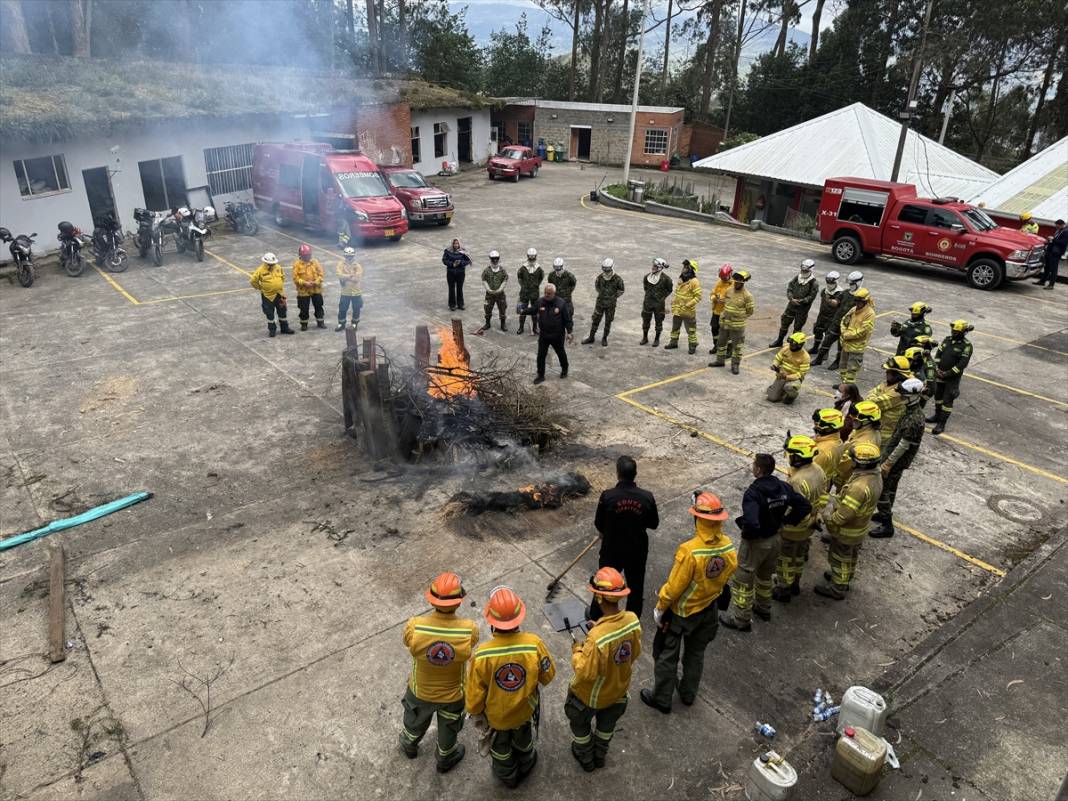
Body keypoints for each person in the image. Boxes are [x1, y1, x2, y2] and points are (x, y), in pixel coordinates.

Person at [641, 492, 737, 713]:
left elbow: (675, 587)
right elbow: (727, 575)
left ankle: (662, 699)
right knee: (695, 654)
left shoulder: (690, 550)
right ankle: (688, 693)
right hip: (709, 609)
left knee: (667, 656)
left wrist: (660, 607)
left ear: (698, 519)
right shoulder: (728, 546)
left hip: (682, 614)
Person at [466, 586, 555, 789]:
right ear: (519, 618)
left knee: (500, 749)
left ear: (491, 622)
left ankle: (508, 776)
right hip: (524, 712)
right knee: (524, 741)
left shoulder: (481, 655)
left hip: (497, 719)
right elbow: (548, 675)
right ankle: (527, 761)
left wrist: (475, 712)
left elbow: (473, 696)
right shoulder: (534, 644)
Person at [720, 454, 811, 631]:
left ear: (759, 470)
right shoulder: (783, 487)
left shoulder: (753, 493)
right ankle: (763, 608)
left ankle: (741, 619)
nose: (752, 467)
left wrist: (748, 533)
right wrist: (785, 521)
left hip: (757, 543)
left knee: (743, 581)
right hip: (776, 539)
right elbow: (805, 506)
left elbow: (752, 522)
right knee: (765, 577)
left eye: (754, 465)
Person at [398, 573, 479, 773]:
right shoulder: (468, 630)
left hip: (419, 691)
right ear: (459, 603)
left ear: (431, 599)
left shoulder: (415, 626)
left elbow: (408, 642)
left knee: (414, 721)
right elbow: (473, 643)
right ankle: (446, 757)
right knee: (449, 729)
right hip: (453, 695)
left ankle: (409, 744)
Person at [566, 568, 641, 771]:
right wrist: (598, 626)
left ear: (599, 597)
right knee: (606, 727)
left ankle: (585, 757)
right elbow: (633, 653)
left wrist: (578, 649)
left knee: (579, 725)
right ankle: (600, 755)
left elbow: (584, 671)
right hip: (618, 692)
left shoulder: (597, 638)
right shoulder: (633, 621)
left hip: (591, 697)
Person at [588, 456, 659, 621]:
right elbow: (653, 523)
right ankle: (632, 620)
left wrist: (609, 528)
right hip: (637, 550)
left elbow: (599, 524)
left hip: (612, 549)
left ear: (618, 473)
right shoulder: (647, 497)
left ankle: (595, 617)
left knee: (604, 583)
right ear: (635, 474)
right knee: (636, 586)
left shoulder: (607, 496)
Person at [815, 443, 883, 600]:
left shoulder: (859, 487)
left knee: (840, 557)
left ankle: (837, 587)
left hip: (847, 531)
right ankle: (843, 578)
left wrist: (828, 520)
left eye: (852, 459)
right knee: (850, 556)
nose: (850, 461)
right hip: (859, 529)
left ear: (861, 463)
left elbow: (844, 515)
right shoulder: (874, 476)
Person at [773, 436, 828, 602]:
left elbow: (791, 508)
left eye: (790, 454)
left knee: (785, 561)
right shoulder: (818, 469)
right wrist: (817, 514)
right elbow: (824, 496)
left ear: (797, 457)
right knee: (798, 557)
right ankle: (795, 583)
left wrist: (781, 522)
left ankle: (783, 589)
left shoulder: (797, 481)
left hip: (793, 530)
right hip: (809, 526)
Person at [870, 378, 926, 538]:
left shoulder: (914, 418)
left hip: (896, 459)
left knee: (883, 490)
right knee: (891, 487)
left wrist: (887, 464)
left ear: (914, 396)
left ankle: (887, 524)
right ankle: (883, 514)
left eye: (904, 395)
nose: (901, 397)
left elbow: (903, 445)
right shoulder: (910, 411)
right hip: (893, 455)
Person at [927, 319, 973, 435]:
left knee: (947, 400)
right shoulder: (947, 340)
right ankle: (936, 416)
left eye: (956, 332)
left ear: (963, 332)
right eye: (953, 330)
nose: (953, 333)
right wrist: (936, 368)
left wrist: (948, 373)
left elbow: (962, 364)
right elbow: (939, 354)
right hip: (940, 374)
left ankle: (941, 424)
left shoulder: (967, 346)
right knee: (938, 396)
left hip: (952, 379)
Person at [814, 270, 863, 368]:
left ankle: (837, 362)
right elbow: (836, 302)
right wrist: (829, 300)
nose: (850, 285)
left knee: (841, 345)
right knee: (826, 341)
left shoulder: (861, 296)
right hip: (836, 323)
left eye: (852, 284)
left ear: (858, 282)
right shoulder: (845, 292)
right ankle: (819, 359)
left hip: (847, 326)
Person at [710, 270, 755, 373]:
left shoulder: (747, 296)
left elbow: (750, 311)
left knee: (737, 347)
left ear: (743, 283)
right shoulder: (729, 290)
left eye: (739, 282)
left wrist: (738, 316)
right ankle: (720, 361)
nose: (737, 283)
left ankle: (735, 365)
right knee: (721, 343)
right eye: (736, 281)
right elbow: (725, 303)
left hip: (737, 326)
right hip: (725, 323)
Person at [864, 355, 913, 445]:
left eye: (889, 371)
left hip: (883, 433)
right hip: (877, 427)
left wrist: (873, 396)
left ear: (897, 374)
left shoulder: (900, 392)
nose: (886, 373)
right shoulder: (891, 382)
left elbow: (871, 404)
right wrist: (874, 396)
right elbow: (873, 391)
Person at [769, 259, 819, 347]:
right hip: (791, 306)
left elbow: (811, 297)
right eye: (802, 269)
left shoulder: (813, 283)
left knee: (797, 328)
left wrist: (800, 301)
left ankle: (793, 345)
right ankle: (779, 340)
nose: (803, 271)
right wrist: (791, 298)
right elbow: (790, 288)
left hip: (802, 310)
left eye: (805, 270)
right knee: (784, 323)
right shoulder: (797, 277)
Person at [533, 284, 573, 384]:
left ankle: (565, 369)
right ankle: (540, 375)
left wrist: (569, 332)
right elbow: (533, 310)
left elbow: (568, 319)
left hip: (557, 335)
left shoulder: (561, 303)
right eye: (545, 293)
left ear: (554, 294)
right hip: (544, 335)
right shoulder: (540, 301)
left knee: (560, 353)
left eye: (549, 294)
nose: (546, 295)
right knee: (541, 355)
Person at [249, 252, 295, 337]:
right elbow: (253, 281)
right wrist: (261, 288)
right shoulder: (260, 270)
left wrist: (278, 286)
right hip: (268, 296)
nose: (271, 265)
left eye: (273, 264)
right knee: (269, 313)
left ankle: (284, 328)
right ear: (265, 263)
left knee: (282, 312)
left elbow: (283, 277)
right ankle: (272, 330)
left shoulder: (278, 267)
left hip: (279, 294)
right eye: (270, 264)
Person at [582, 258, 625, 346]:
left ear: (611, 267)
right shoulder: (600, 277)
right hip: (600, 303)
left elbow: (621, 290)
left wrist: (612, 297)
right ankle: (591, 337)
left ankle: (604, 338)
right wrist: (603, 294)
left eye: (607, 268)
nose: (605, 270)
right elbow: (597, 286)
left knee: (608, 321)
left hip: (610, 305)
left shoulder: (618, 279)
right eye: (604, 268)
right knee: (595, 320)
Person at [837, 400, 881, 485]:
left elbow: (844, 465)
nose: (853, 422)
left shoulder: (862, 443)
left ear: (868, 420)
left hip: (847, 479)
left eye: (855, 420)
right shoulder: (869, 430)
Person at [838, 287, 875, 383]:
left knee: (851, 371)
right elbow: (844, 320)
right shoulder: (854, 309)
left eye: (860, 301)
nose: (857, 303)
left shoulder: (870, 314)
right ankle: (843, 384)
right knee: (843, 367)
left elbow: (864, 330)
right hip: (846, 345)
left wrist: (847, 335)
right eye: (856, 301)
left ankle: (849, 387)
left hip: (856, 348)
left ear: (866, 301)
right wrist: (843, 332)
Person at [665, 259, 702, 354]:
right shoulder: (681, 279)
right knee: (675, 328)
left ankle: (692, 345)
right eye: (684, 267)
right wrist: (673, 302)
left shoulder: (694, 281)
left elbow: (698, 297)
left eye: (685, 267)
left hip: (688, 311)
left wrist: (688, 305)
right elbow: (678, 293)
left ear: (690, 270)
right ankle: (673, 342)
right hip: (678, 310)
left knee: (691, 330)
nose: (683, 269)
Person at [767, 332, 810, 404]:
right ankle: (779, 389)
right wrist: (775, 365)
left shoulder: (805, 357)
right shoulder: (786, 349)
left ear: (800, 345)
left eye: (793, 345)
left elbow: (800, 374)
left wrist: (787, 377)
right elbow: (777, 359)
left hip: (794, 378)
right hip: (782, 374)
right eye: (791, 344)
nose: (791, 346)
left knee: (789, 387)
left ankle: (792, 396)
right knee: (772, 398)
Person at [808, 271, 844, 357]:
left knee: (828, 336)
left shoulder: (840, 293)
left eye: (831, 283)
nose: (829, 285)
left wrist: (829, 300)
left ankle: (825, 353)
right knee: (818, 330)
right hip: (822, 316)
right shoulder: (824, 291)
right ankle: (815, 347)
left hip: (832, 318)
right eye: (828, 282)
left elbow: (837, 304)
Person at [640, 258, 674, 346]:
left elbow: (669, 289)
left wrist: (661, 297)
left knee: (659, 322)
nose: (653, 267)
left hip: (659, 304)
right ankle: (645, 338)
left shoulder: (666, 279)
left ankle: (657, 339)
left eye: (655, 266)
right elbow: (646, 288)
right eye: (653, 266)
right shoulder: (647, 277)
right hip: (647, 302)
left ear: (660, 267)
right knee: (645, 320)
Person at [291, 243, 325, 331]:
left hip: (316, 289)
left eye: (308, 255)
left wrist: (316, 282)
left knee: (319, 306)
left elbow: (321, 274)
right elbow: (295, 278)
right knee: (304, 308)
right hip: (303, 291)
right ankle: (304, 324)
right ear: (301, 255)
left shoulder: (315, 262)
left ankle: (320, 322)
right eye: (305, 255)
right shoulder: (297, 264)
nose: (307, 257)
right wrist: (304, 283)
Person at [812, 408, 847, 490]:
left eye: (819, 425)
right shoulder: (838, 441)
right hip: (825, 482)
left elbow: (807, 473)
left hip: (814, 486)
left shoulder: (822, 451)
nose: (815, 427)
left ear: (829, 428)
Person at [335, 247, 363, 332]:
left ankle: (355, 323)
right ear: (345, 256)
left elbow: (357, 278)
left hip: (356, 292)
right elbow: (339, 275)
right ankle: (341, 324)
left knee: (356, 308)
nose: (349, 258)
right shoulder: (341, 264)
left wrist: (345, 277)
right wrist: (350, 276)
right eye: (347, 256)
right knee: (342, 308)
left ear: (353, 256)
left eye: (351, 256)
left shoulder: (357, 266)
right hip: (345, 292)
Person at [516, 247, 543, 335]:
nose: (531, 259)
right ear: (528, 257)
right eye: (530, 257)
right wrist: (523, 286)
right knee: (522, 311)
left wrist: (535, 285)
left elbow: (541, 278)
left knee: (535, 311)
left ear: (535, 257)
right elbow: (519, 277)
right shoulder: (523, 268)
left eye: (533, 257)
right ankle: (521, 327)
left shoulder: (539, 269)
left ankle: (535, 328)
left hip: (535, 294)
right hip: (524, 293)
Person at [480, 250, 508, 333]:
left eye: (496, 258)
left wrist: (500, 289)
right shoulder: (487, 270)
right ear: (490, 259)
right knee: (487, 309)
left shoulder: (502, 270)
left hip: (500, 294)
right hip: (489, 294)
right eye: (493, 259)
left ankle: (503, 324)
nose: (495, 260)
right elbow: (484, 280)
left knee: (502, 309)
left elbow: (505, 280)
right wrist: (488, 289)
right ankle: (487, 323)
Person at [708, 264, 733, 354]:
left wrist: (724, 299)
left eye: (724, 277)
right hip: (717, 311)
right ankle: (716, 345)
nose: (723, 279)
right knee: (714, 329)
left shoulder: (733, 285)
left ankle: (730, 350)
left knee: (727, 331)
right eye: (721, 277)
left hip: (726, 313)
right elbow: (712, 293)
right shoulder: (719, 283)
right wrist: (714, 298)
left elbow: (735, 299)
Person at [1035, 219, 1067, 289]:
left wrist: (1053, 239)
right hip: (1050, 251)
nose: (1056, 227)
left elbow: (1063, 243)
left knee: (1053, 269)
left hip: (1056, 253)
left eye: (1057, 226)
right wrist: (1049, 240)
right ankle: (1042, 281)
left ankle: (1051, 285)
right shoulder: (1058, 231)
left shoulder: (1065, 232)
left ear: (1061, 225)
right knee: (1047, 267)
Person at [442, 238, 471, 311]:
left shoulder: (463, 251)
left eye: (457, 243)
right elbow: (444, 260)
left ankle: (460, 304)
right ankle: (452, 305)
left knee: (459, 288)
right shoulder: (447, 251)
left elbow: (468, 260)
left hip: (460, 273)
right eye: (454, 243)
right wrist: (452, 264)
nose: (456, 245)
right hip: (451, 273)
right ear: (452, 244)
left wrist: (460, 263)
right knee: (451, 289)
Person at [905, 337, 937, 404]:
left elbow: (931, 388)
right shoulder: (919, 359)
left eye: (910, 360)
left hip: (917, 397)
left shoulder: (929, 367)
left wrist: (920, 402)